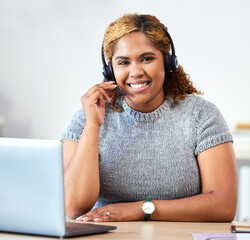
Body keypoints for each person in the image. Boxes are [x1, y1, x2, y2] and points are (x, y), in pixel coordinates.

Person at [61, 13, 237, 222]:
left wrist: (142, 209)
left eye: (147, 59)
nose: (135, 72)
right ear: (110, 71)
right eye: (123, 62)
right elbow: (73, 207)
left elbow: (223, 205)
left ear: (167, 62)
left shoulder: (201, 116)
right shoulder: (86, 119)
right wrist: (92, 126)